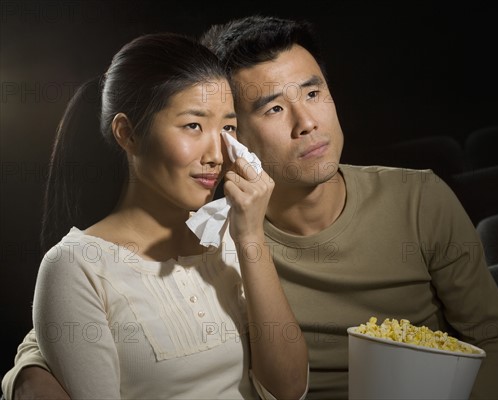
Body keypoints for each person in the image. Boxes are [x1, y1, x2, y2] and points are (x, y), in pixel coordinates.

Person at [3, 16, 498, 400]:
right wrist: (26, 376)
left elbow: (496, 341)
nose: (307, 122)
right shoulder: (220, 228)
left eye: (315, 93)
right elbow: (77, 305)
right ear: (239, 138)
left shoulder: (419, 199)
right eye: (273, 108)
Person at [1, 32, 308, 400]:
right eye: (193, 126)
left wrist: (250, 238)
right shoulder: (76, 267)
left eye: (228, 128)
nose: (216, 154)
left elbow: (290, 390)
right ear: (128, 134)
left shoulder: (229, 235)